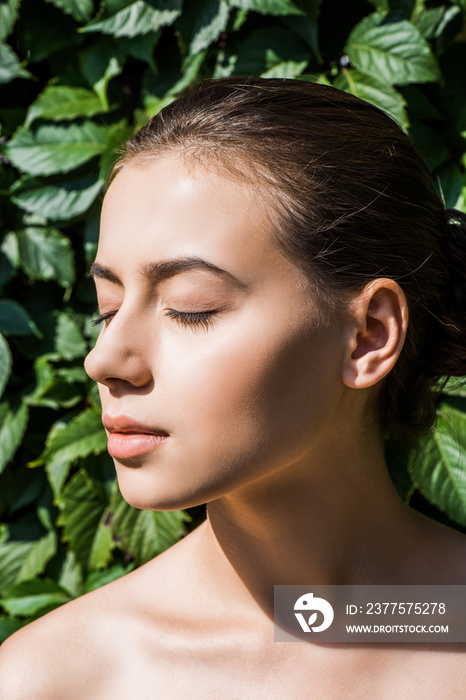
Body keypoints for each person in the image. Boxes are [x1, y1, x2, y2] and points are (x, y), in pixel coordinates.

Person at [1, 77, 466, 698]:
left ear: (367, 336)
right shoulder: (53, 681)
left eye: (191, 308)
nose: (104, 359)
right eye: (107, 307)